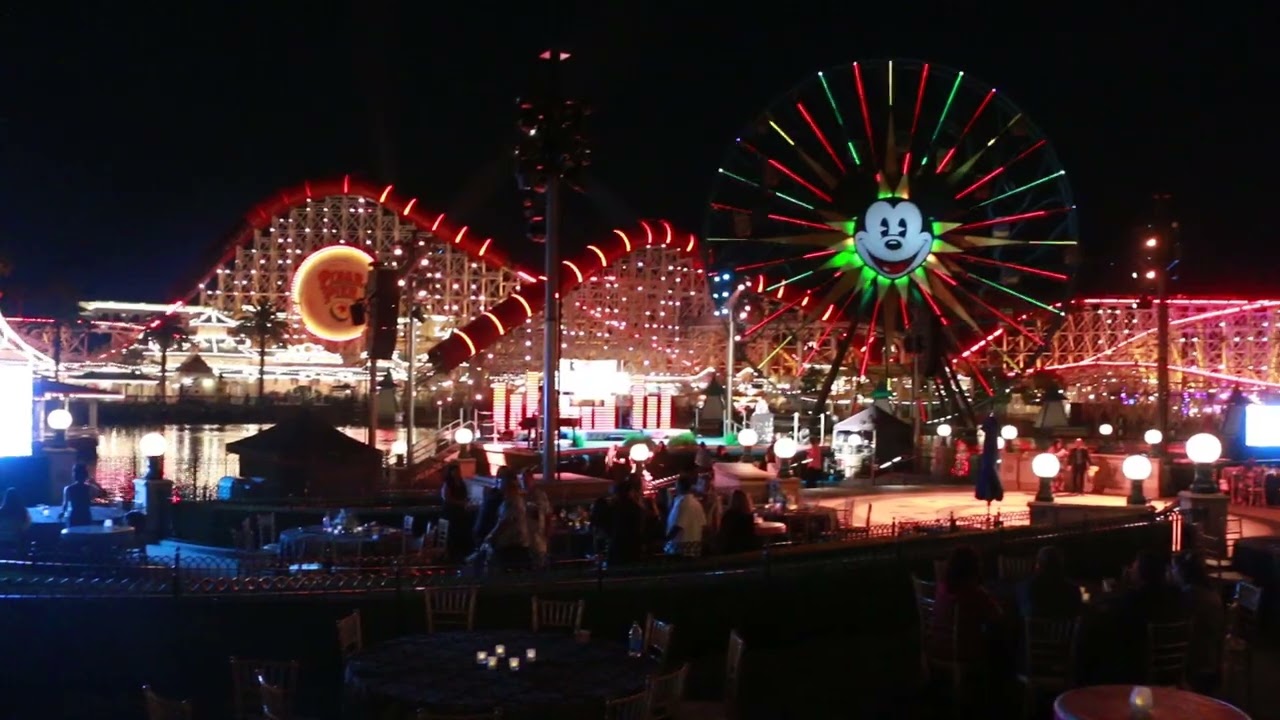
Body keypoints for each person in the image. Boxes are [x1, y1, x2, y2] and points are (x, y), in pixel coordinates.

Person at [934, 546, 1003, 664]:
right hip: (963, 649)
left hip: (937, 643)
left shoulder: (942, 587)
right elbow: (997, 616)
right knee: (999, 636)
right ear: (974, 569)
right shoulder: (973, 594)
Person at [1173, 551, 1224, 694]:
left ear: (1183, 572)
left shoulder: (1190, 596)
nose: (1171, 572)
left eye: (1173, 569)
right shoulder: (1210, 593)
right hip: (1212, 661)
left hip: (1195, 666)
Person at [480, 472, 530, 571]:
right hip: (510, 544)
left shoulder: (513, 501)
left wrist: (492, 535)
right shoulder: (508, 500)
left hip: (513, 545)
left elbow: (505, 521)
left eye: (501, 482)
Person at [1017, 546, 1082, 619]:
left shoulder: (1026, 586)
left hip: (1035, 629)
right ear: (1061, 565)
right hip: (1064, 629)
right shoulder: (1074, 590)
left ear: (1038, 564)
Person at [665, 473, 707, 556]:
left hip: (681, 549)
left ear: (679, 485)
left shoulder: (684, 503)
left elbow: (678, 526)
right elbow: (704, 526)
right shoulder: (697, 503)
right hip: (694, 547)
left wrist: (665, 539)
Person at [606, 480, 647, 566]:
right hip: (633, 547)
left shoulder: (613, 507)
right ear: (629, 492)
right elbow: (640, 528)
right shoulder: (635, 508)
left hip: (617, 546)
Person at [718, 489, 759, 555]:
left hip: (727, 550)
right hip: (745, 551)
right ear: (746, 501)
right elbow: (750, 537)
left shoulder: (727, 515)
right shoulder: (748, 517)